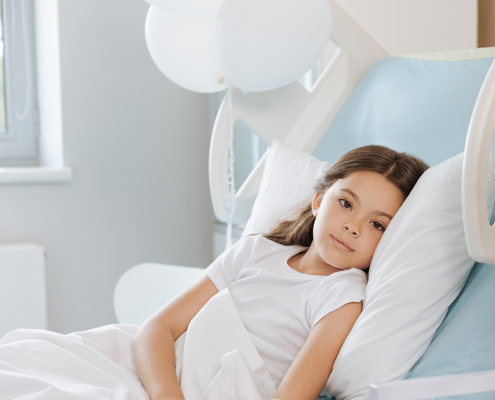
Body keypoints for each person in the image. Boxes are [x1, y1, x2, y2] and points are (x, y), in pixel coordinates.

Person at [132, 145, 428, 400]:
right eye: (346, 203)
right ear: (318, 201)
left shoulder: (342, 296)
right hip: (157, 378)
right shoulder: (255, 251)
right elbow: (156, 329)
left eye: (377, 224)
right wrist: (165, 394)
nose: (353, 226)